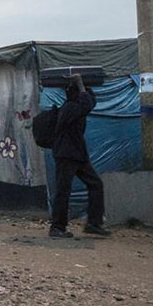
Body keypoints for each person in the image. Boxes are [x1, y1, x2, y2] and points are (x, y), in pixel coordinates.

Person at [50, 73, 110, 238]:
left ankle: (94, 223)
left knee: (96, 185)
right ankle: (57, 227)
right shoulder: (69, 107)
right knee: (63, 191)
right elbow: (86, 104)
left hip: (77, 155)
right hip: (66, 155)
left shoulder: (74, 106)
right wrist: (81, 84)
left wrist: (85, 86)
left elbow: (90, 102)